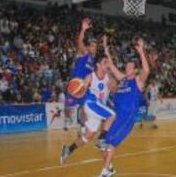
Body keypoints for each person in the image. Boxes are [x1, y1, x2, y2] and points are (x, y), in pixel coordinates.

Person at [99, 36, 150, 177]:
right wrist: (105, 47)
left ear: (134, 70)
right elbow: (111, 65)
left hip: (126, 118)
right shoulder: (122, 80)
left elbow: (146, 70)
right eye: (126, 66)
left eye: (130, 67)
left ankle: (105, 172)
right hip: (116, 116)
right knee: (102, 143)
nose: (127, 67)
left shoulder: (138, 82)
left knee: (110, 144)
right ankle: (109, 169)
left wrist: (141, 52)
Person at [60, 51, 116, 165]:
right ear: (98, 65)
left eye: (108, 63)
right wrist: (82, 112)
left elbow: (114, 89)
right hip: (91, 104)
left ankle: (68, 150)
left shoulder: (108, 76)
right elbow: (80, 92)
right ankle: (101, 140)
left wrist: (113, 84)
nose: (107, 65)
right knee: (112, 115)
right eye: (105, 63)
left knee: (88, 136)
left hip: (97, 108)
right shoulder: (90, 77)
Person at [64, 18, 97, 131]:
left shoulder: (93, 61)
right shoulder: (85, 53)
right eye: (92, 46)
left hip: (85, 87)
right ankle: (68, 118)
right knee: (68, 106)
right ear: (88, 47)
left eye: (95, 46)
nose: (94, 48)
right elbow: (80, 43)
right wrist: (83, 30)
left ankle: (83, 126)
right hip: (75, 83)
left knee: (84, 108)